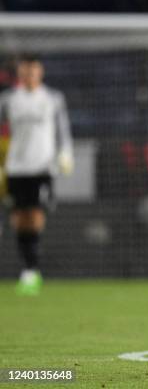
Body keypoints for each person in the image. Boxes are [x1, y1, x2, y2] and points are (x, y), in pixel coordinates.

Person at [0, 55, 74, 295]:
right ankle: (29, 268)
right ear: (20, 74)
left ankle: (32, 269)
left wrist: (65, 153)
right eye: (25, 72)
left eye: (33, 71)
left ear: (39, 72)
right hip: (16, 167)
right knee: (20, 218)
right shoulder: (8, 100)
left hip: (43, 167)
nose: (29, 75)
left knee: (35, 214)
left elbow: (63, 129)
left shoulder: (52, 98)